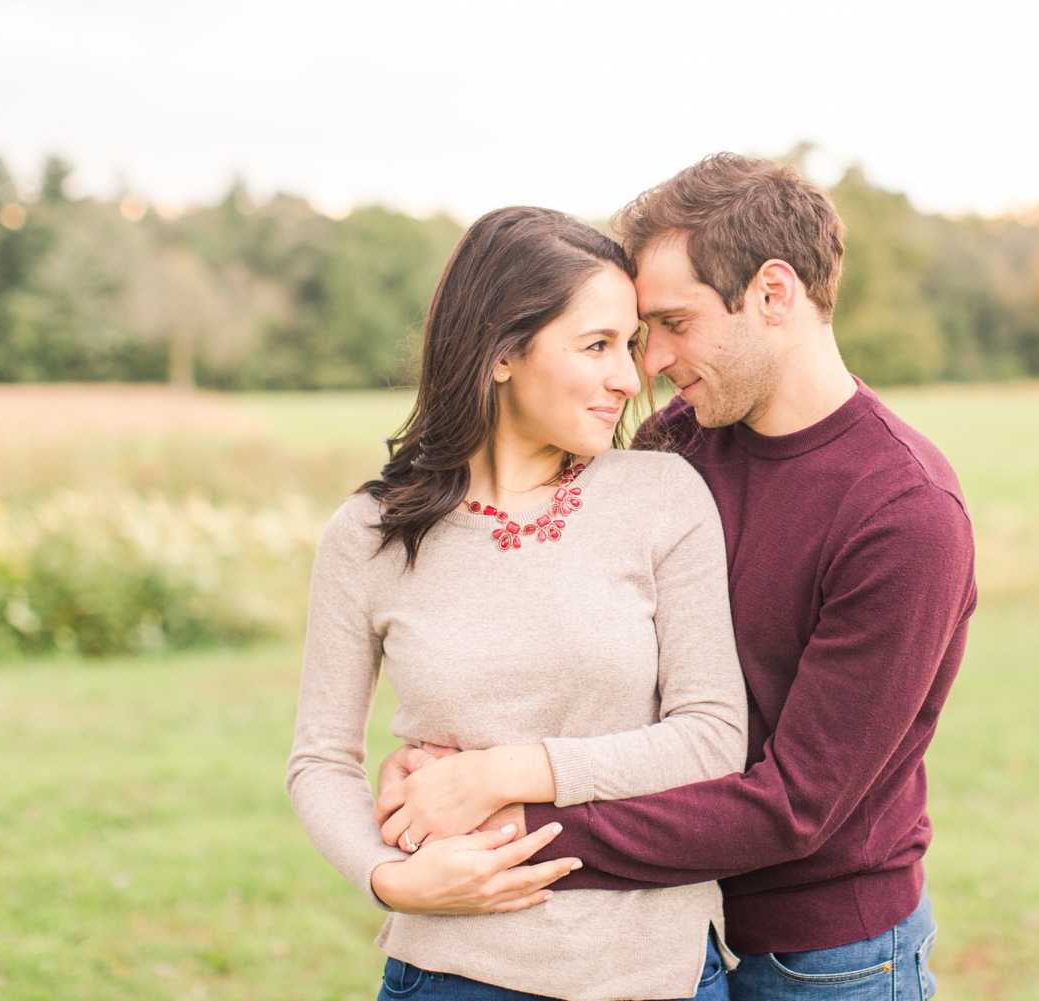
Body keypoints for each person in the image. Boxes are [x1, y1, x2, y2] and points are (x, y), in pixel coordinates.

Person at [379, 155, 977, 1001]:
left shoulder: (904, 511)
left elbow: (794, 805)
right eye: (633, 332)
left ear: (774, 294)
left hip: (822, 956)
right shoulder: (675, 443)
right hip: (662, 931)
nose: (649, 361)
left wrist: (513, 818)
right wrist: (446, 761)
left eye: (672, 323)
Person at [286, 206, 750, 1001]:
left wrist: (504, 774)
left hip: (654, 971)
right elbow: (320, 759)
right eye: (597, 345)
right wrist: (389, 878)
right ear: (503, 353)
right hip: (458, 971)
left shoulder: (662, 496)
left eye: (630, 346)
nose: (630, 379)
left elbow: (712, 738)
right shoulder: (369, 533)